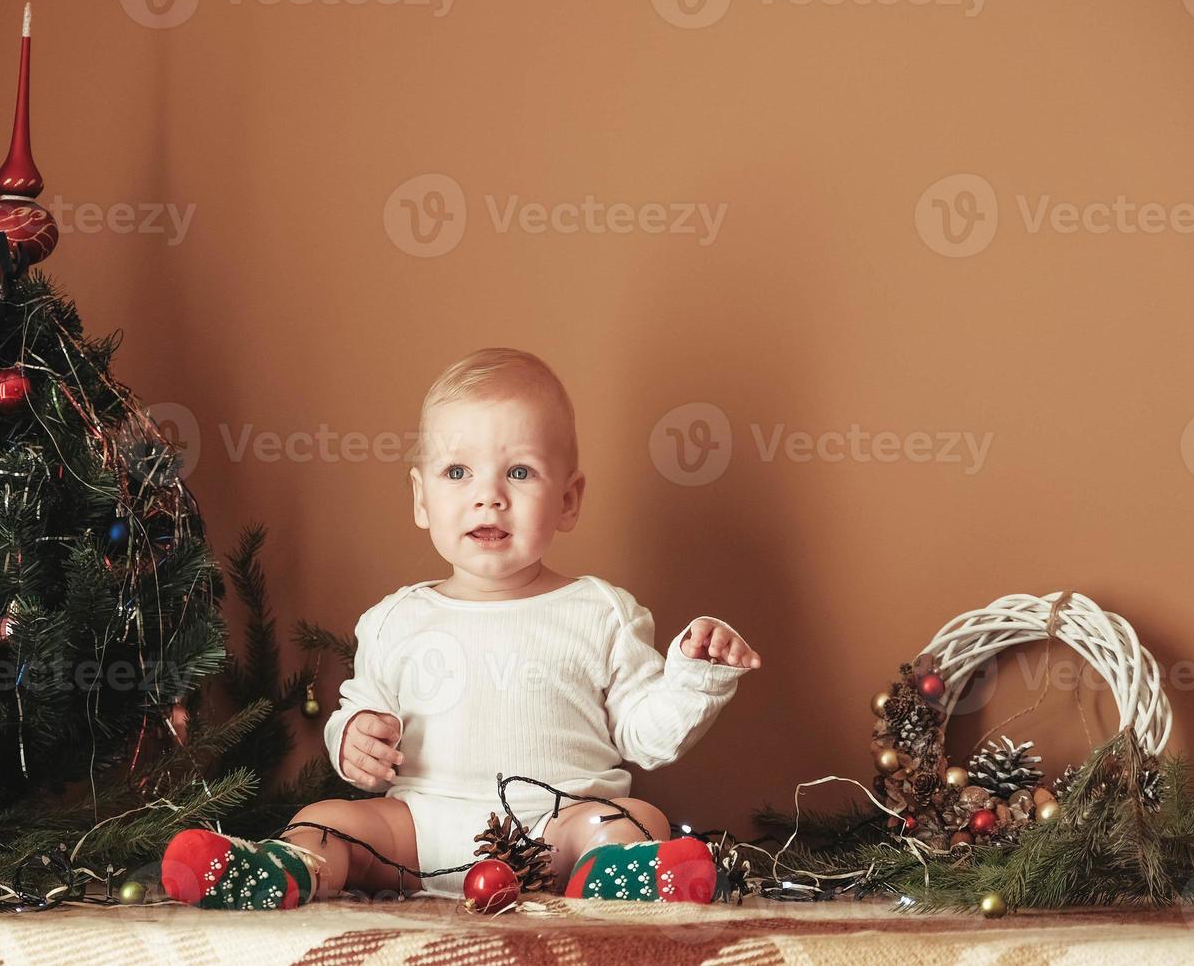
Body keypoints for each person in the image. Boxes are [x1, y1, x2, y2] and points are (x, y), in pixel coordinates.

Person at [161, 348, 760, 910]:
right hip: (418, 835)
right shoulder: (396, 619)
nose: (488, 497)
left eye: (520, 472)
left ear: (569, 500)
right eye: (457, 473)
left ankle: (613, 874)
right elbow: (361, 710)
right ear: (421, 499)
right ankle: (283, 870)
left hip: (560, 832)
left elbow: (645, 738)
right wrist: (353, 740)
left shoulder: (600, 612)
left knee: (633, 818)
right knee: (329, 818)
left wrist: (695, 675)